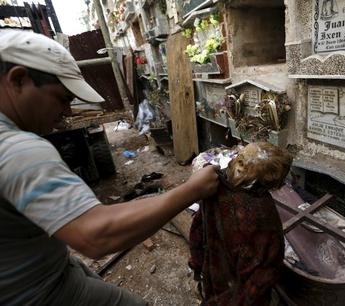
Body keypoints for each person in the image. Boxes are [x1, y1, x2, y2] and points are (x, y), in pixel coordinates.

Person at [0, 29, 219, 306]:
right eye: (62, 99)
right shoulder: (17, 149)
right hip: (37, 294)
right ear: (18, 80)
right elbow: (96, 235)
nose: (66, 114)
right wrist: (193, 190)